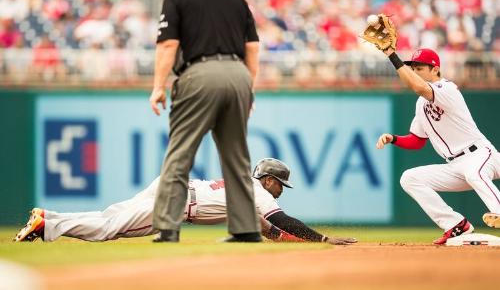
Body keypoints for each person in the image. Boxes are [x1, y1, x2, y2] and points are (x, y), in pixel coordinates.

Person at [149, 0, 261, 243]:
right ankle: (246, 229)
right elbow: (252, 49)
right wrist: (249, 88)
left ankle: (168, 228)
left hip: (199, 73)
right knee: (237, 157)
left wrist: (158, 87)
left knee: (180, 153)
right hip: (238, 75)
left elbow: (168, 45)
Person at [14, 158, 357, 246]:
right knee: (108, 230)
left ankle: (50, 216)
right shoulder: (258, 192)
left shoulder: (247, 188)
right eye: (280, 184)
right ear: (269, 180)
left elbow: (270, 230)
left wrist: (296, 242)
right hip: (176, 202)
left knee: (110, 217)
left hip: (171, 186)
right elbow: (281, 220)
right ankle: (49, 225)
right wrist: (323, 239)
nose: (280, 190)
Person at [375, 43, 500, 244]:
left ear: (435, 69)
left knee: (474, 172)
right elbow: (416, 141)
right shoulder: (421, 103)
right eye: (413, 68)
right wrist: (394, 139)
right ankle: (456, 224)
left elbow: (418, 86)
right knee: (410, 178)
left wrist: (391, 54)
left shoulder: (446, 88)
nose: (415, 72)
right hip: (455, 165)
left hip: (480, 154)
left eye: (420, 68)